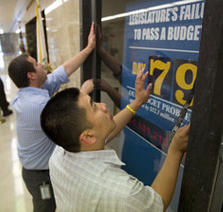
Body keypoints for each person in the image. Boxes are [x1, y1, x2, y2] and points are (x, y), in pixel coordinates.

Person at [40, 69, 190, 212]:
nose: (103, 105)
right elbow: (157, 204)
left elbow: (104, 131)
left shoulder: (59, 154)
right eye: (94, 107)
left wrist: (137, 103)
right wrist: (175, 150)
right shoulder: (123, 193)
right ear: (88, 137)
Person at [8, 23, 96, 212]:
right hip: (40, 176)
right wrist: (83, 92)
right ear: (31, 75)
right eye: (37, 64)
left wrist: (89, 48)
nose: (42, 65)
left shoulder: (33, 90)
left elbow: (61, 72)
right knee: (45, 208)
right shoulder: (36, 105)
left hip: (41, 169)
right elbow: (68, 119)